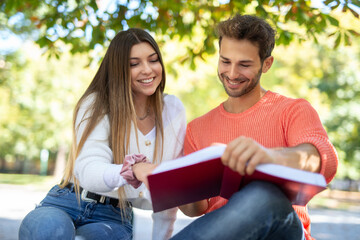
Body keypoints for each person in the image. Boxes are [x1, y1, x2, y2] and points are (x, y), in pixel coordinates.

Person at [172, 15, 338, 240]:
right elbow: (197, 210)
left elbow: (324, 158)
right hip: (228, 234)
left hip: (281, 230)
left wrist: (269, 157)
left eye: (244, 64)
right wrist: (179, 184)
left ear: (266, 64)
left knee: (262, 192)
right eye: (225, 61)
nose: (231, 73)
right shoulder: (196, 129)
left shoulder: (293, 110)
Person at [19, 28, 186, 240]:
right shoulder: (96, 103)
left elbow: (168, 190)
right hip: (67, 201)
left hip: (114, 216)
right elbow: (88, 168)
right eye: (134, 64)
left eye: (153, 60)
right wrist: (132, 170)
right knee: (51, 233)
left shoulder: (172, 109)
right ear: (118, 70)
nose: (148, 70)